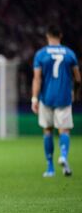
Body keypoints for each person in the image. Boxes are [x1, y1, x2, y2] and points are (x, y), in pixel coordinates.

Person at [31, 24, 81, 177]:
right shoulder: (70, 54)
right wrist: (75, 92)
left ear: (47, 36)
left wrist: (34, 98)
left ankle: (50, 168)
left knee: (47, 130)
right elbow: (78, 79)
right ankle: (64, 156)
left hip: (46, 98)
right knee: (64, 130)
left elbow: (37, 78)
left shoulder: (41, 54)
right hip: (64, 97)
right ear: (61, 36)